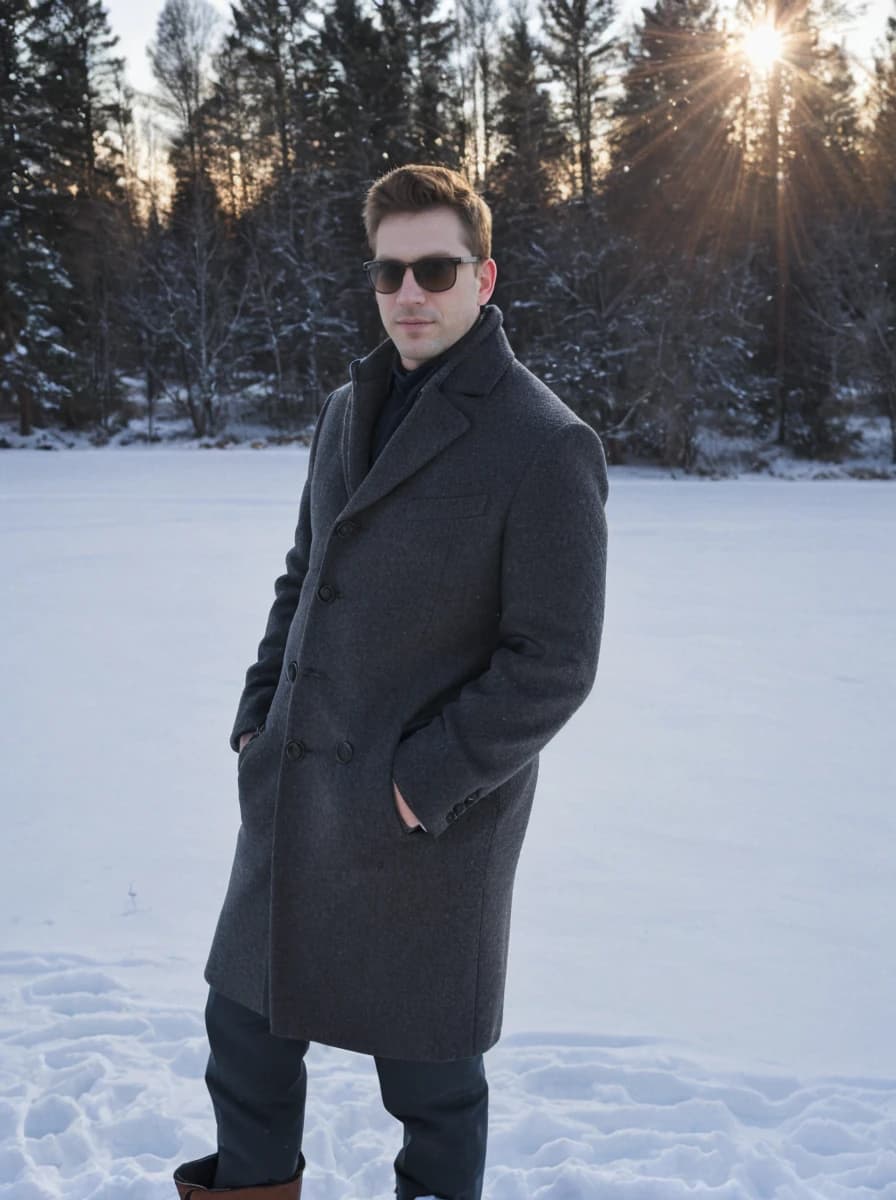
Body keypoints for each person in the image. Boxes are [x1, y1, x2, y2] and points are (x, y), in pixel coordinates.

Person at [173, 163, 609, 1200]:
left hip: (423, 835)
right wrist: (256, 714)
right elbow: (303, 576)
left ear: (483, 276)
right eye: (388, 271)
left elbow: (553, 661)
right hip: (292, 803)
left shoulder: (543, 444)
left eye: (434, 268)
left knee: (432, 1091)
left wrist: (420, 785)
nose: (409, 292)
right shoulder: (343, 409)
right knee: (243, 1041)